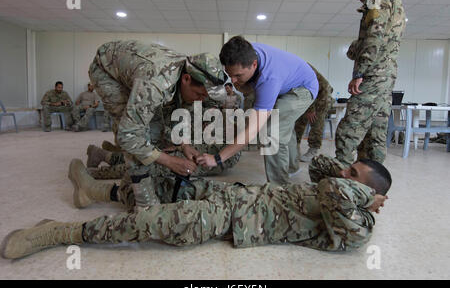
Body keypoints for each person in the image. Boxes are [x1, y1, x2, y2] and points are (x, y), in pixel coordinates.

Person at [0, 154, 391, 260]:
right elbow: (323, 166)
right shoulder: (337, 185)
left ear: (367, 193)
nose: (341, 174)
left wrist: (366, 198)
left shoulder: (356, 226)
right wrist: (352, 174)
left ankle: (60, 232)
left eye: (352, 173)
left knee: (155, 222)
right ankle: (95, 192)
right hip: (232, 195)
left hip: (231, 220)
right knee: (166, 179)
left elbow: (334, 191)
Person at [86, 40, 241, 209]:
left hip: (137, 72)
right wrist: (169, 161)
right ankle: (144, 203)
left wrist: (183, 145)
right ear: (186, 79)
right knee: (139, 133)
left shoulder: (189, 72)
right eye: (199, 94)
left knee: (156, 131)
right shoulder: (156, 84)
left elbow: (175, 115)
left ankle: (129, 182)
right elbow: (128, 135)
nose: (200, 100)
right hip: (107, 71)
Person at [197, 36, 319, 185]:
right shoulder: (245, 52)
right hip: (287, 81)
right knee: (282, 124)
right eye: (230, 75)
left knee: (271, 132)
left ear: (254, 65)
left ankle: (279, 189)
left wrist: (217, 158)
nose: (233, 81)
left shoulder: (268, 79)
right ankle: (292, 168)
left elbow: (252, 131)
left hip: (303, 88)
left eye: (238, 75)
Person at [334, 0, 406, 167]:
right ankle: (372, 187)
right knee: (374, 135)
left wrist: (359, 73)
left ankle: (341, 189)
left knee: (348, 132)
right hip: (386, 77)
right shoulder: (395, 1)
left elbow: (374, 35)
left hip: (373, 76)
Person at [294, 64, 334, 162]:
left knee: (316, 121)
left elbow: (310, 88)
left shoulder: (302, 69)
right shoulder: (293, 69)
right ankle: (295, 146)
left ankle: (313, 149)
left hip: (322, 95)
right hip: (309, 95)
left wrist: (310, 110)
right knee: (299, 120)